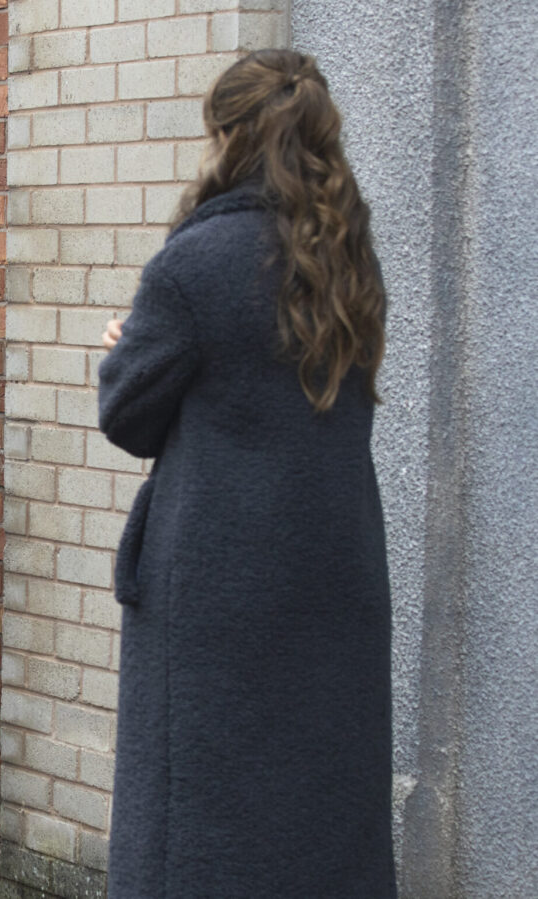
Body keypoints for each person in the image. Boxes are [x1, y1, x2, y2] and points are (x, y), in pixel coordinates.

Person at [96, 49, 394, 898]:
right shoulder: (347, 255)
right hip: (335, 571)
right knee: (323, 807)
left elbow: (128, 415)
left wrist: (126, 354)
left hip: (217, 588)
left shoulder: (198, 261)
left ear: (225, 133)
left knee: (200, 819)